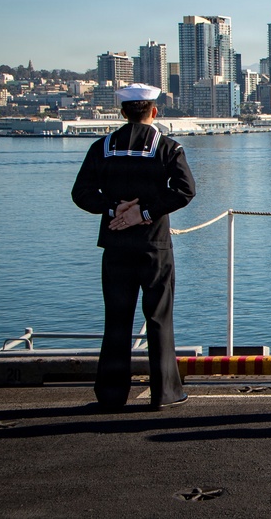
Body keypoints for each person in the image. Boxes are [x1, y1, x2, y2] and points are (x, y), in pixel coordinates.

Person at [71, 83, 196, 411]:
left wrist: (115, 210)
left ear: (123, 113)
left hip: (115, 244)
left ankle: (111, 395)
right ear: (154, 111)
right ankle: (165, 393)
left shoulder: (102, 147)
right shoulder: (168, 147)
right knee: (158, 318)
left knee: (116, 318)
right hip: (154, 245)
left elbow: (81, 193)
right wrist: (144, 212)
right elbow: (185, 191)